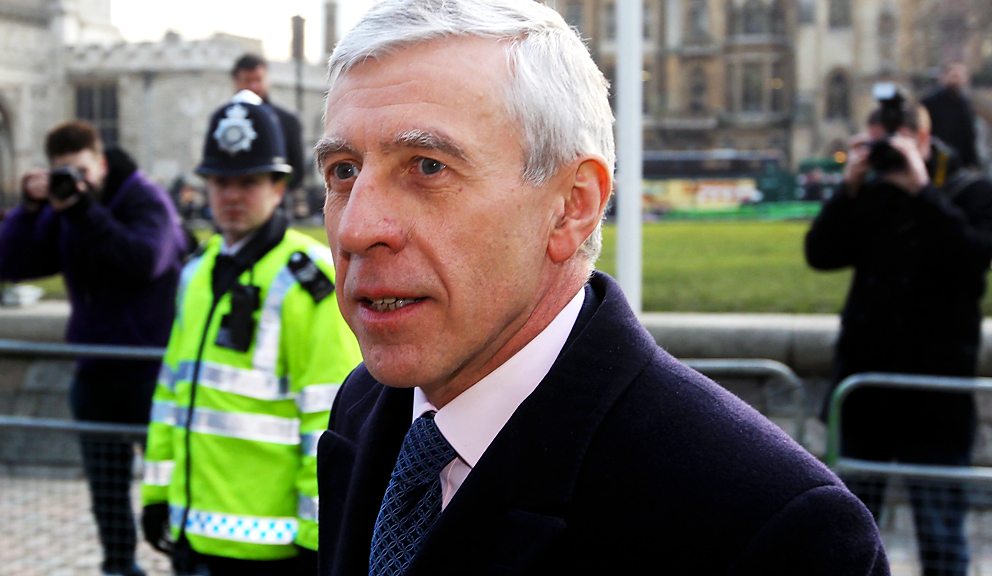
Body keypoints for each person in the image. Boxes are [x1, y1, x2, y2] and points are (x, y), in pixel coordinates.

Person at [314, 1, 889, 574]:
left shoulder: (774, 526)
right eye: (344, 170)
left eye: (427, 166)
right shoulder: (364, 406)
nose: (357, 228)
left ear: (572, 206)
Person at [139, 90, 361, 575]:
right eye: (221, 181)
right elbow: (171, 396)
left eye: (249, 181)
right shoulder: (196, 274)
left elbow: (328, 417)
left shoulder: (309, 281)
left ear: (278, 187)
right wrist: (157, 493)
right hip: (193, 533)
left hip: (272, 549)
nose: (232, 196)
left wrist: (316, 534)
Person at [806, 96, 992, 576]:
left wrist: (922, 191)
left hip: (935, 400)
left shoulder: (971, 191)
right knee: (850, 537)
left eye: (892, 144)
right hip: (868, 395)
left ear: (923, 139)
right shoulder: (872, 192)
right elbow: (820, 253)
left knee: (941, 537)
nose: (885, 155)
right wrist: (848, 189)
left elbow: (974, 259)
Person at [0, 121, 187, 576]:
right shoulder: (68, 207)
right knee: (106, 491)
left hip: (153, 371)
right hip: (95, 371)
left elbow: (143, 260)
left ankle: (187, 563)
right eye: (65, 173)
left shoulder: (144, 198)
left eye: (82, 171)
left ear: (100, 162)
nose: (76, 182)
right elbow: (11, 264)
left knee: (174, 484)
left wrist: (80, 211)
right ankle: (119, 566)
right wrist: (29, 208)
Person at [232, 53, 306, 216]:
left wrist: (268, 192)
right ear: (236, 81)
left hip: (274, 209)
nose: (253, 87)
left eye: (258, 80)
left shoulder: (287, 121)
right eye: (247, 80)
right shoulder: (224, 120)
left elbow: (297, 171)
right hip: (233, 205)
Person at [923, 61, 980, 169]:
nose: (956, 79)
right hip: (939, 159)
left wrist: (973, 162)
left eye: (960, 75)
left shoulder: (965, 103)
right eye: (954, 75)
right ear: (944, 77)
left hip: (961, 160)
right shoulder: (930, 102)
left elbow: (969, 135)